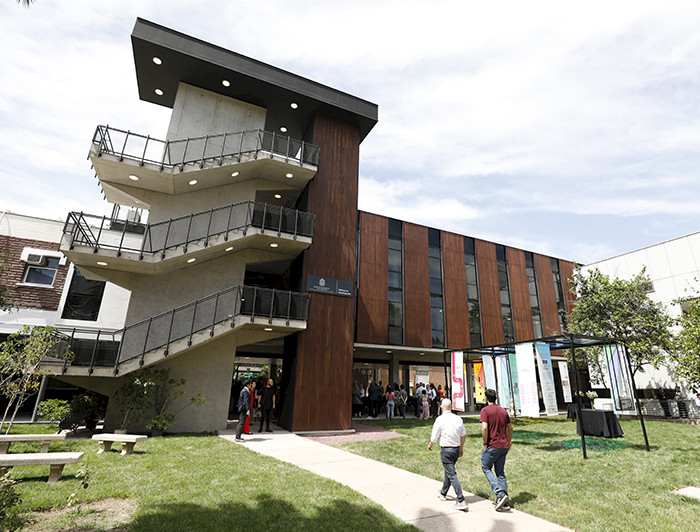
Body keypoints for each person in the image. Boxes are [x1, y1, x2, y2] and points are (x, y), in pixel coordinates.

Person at [429, 398, 468, 511]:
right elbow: (463, 435)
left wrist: (431, 444)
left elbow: (435, 434)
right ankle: (443, 493)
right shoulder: (458, 419)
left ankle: (461, 500)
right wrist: (461, 448)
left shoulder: (440, 419)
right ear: (451, 407)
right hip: (455, 449)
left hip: (446, 450)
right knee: (449, 471)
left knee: (451, 473)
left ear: (441, 408)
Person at [480, 388, 513, 511]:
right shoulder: (503, 411)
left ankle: (500, 494)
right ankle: (504, 503)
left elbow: (484, 428)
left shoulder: (485, 410)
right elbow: (510, 427)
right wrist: (509, 441)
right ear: (496, 398)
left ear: (486, 398)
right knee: (500, 472)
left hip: (492, 445)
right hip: (503, 445)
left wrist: (485, 443)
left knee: (486, 467)